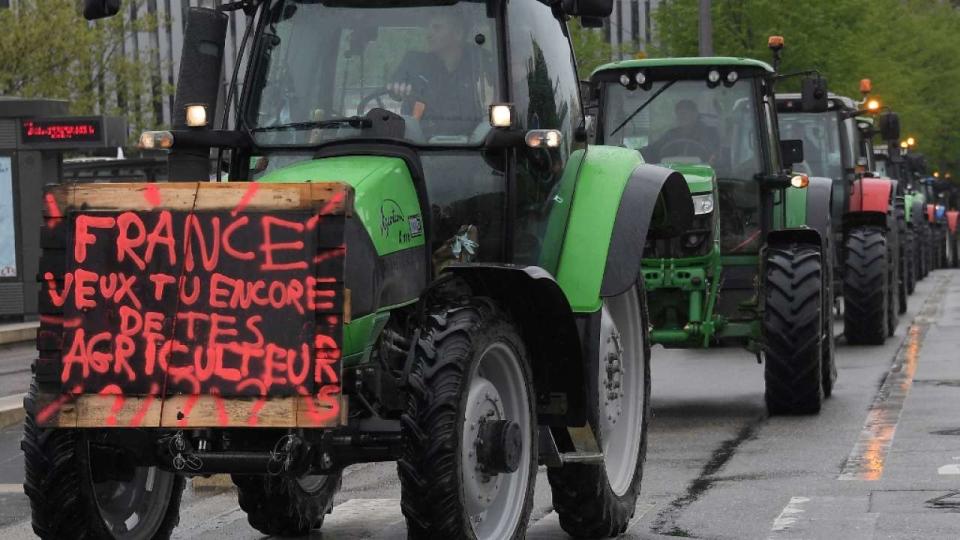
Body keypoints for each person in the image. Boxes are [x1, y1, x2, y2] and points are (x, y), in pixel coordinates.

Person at [386, 11, 493, 137]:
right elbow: (395, 85)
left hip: (473, 146)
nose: (428, 34)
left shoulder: (481, 61)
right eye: (428, 28)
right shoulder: (414, 62)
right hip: (420, 145)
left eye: (437, 28)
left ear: (458, 33)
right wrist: (398, 88)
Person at [644, 99, 720, 163]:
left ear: (695, 114)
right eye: (680, 113)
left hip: (704, 175)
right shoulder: (670, 135)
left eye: (685, 113)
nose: (682, 116)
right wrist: (635, 153)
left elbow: (716, 154)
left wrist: (713, 157)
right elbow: (652, 150)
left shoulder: (710, 133)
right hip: (672, 175)